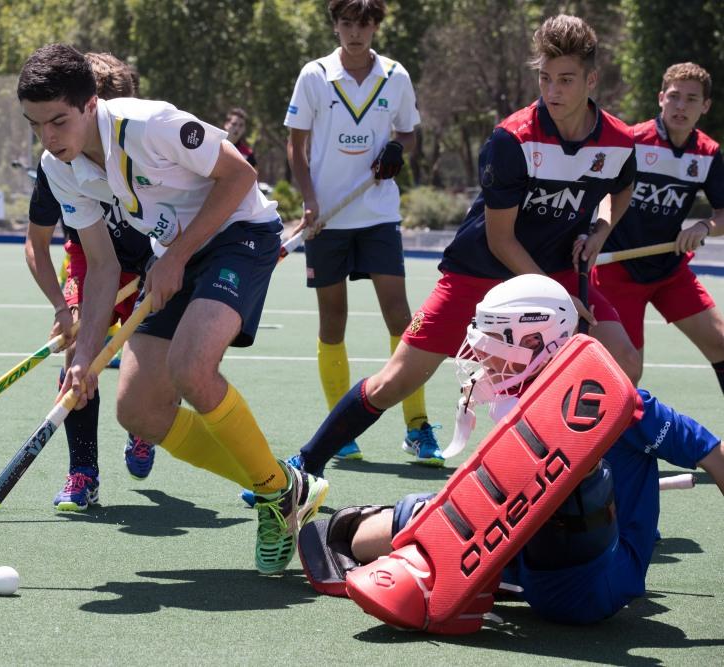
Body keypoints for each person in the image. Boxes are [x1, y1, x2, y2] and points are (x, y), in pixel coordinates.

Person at [288, 14, 642, 480]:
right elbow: (500, 238)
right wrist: (557, 302)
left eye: (566, 80)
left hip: (553, 273)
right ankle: (303, 465)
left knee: (623, 361)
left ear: (591, 80)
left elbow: (621, 189)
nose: (552, 90)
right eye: (544, 78)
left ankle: (582, 476)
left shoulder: (617, 141)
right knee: (397, 379)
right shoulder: (512, 138)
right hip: (482, 270)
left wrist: (600, 231)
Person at [17, 43, 328, 573]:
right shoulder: (60, 166)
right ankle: (283, 485)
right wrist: (84, 355)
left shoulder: (149, 125)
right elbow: (100, 267)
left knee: (191, 368)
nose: (48, 137)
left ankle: (276, 502)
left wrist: (178, 255)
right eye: (35, 124)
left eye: (58, 121)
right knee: (135, 410)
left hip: (239, 235)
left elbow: (240, 177)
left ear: (91, 104)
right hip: (172, 253)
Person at [300, 274, 724, 630]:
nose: (481, 349)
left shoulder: (620, 402)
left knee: (564, 481)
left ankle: (451, 562)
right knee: (450, 506)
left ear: (543, 341)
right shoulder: (513, 396)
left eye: (497, 335)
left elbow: (713, 454)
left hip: (603, 572)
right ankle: (401, 538)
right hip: (535, 561)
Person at [284, 0, 437, 464]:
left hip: (377, 217)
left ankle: (417, 426)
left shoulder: (396, 76)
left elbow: (409, 132)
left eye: (363, 24)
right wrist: (309, 201)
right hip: (328, 219)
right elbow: (296, 145)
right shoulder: (314, 75)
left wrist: (397, 147)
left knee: (401, 317)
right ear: (335, 25)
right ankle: (341, 429)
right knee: (333, 322)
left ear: (375, 27)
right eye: (346, 23)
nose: (355, 33)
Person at [25, 52, 156, 512]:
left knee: (152, 369)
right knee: (79, 359)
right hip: (90, 260)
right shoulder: (56, 165)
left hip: (149, 263)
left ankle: (143, 424)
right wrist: (64, 309)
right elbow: (36, 244)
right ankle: (83, 472)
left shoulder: (144, 147)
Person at [593, 62, 724, 394]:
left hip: (669, 271)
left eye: (692, 99)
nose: (681, 107)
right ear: (661, 98)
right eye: (674, 97)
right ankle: (607, 442)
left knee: (721, 343)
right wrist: (600, 232)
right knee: (627, 370)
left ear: (705, 106)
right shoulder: (633, 140)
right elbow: (607, 194)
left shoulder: (707, 153)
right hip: (617, 270)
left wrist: (705, 226)